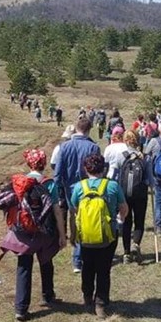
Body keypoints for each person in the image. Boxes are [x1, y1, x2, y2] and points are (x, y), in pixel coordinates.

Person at [0, 149, 67, 321]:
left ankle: (21, 308)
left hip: (23, 233)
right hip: (44, 232)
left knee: (23, 267)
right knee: (46, 262)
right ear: (44, 163)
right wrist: (62, 235)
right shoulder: (49, 183)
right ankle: (48, 295)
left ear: (29, 164)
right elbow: (57, 211)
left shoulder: (20, 182)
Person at [70, 153, 128, 319]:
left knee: (87, 266)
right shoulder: (112, 186)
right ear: (104, 168)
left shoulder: (79, 187)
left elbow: (74, 212)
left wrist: (73, 234)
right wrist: (119, 220)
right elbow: (124, 209)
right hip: (107, 237)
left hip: (86, 237)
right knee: (104, 270)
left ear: (85, 169)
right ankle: (101, 304)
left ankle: (87, 297)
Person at [54, 117, 101, 273]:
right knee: (87, 219)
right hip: (88, 188)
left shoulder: (65, 146)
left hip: (70, 189)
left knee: (75, 220)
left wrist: (58, 191)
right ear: (89, 129)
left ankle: (77, 258)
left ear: (76, 128)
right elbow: (98, 170)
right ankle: (80, 255)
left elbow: (58, 172)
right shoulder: (93, 147)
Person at [108, 130, 148, 264]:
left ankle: (126, 253)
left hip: (124, 193)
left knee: (126, 221)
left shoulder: (121, 155)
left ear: (125, 140)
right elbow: (149, 179)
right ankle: (136, 243)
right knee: (139, 220)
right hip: (140, 194)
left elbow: (112, 173)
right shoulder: (143, 157)